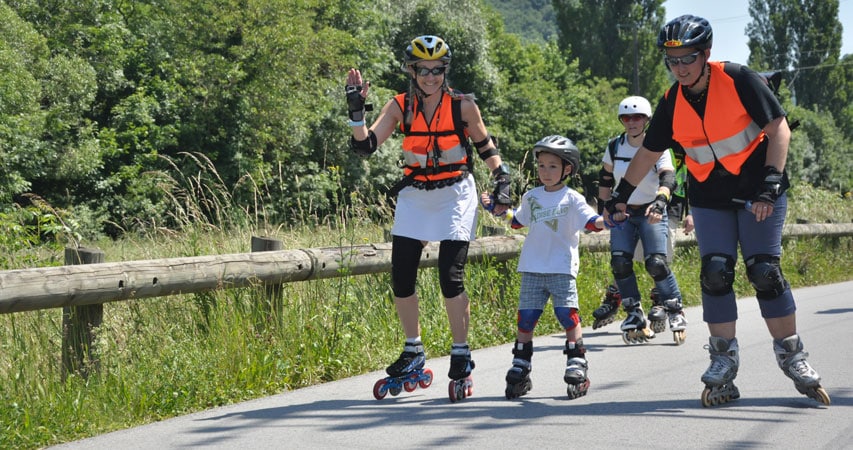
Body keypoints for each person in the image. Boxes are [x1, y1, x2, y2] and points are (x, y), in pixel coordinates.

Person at [605, 15, 830, 406]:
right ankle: (723, 360)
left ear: (705, 54)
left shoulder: (738, 79)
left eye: (687, 59)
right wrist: (621, 193)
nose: (679, 68)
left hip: (758, 189)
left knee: (764, 270)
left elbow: (779, 128)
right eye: (672, 61)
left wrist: (772, 181)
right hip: (710, 193)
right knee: (715, 272)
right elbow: (650, 151)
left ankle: (793, 356)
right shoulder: (671, 100)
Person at [346, 35, 512, 398]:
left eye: (438, 70)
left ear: (445, 70)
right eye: (424, 70)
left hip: (455, 192)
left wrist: (502, 178)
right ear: (412, 70)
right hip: (416, 194)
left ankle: (461, 352)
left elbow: (485, 145)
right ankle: (413, 349)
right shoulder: (399, 106)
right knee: (401, 274)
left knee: (449, 275)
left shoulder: (462, 106)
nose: (431, 76)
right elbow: (365, 147)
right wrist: (356, 112)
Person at [481, 135, 620, 400]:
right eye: (542, 165)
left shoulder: (572, 198)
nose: (545, 172)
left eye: (553, 166)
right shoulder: (531, 196)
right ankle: (521, 365)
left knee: (568, 315)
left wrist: (609, 220)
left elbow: (591, 222)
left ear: (568, 169)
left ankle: (577, 362)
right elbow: (517, 222)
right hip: (532, 267)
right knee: (526, 319)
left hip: (560, 267)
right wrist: (497, 210)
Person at [596, 96, 688, 345]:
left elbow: (668, 178)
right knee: (620, 263)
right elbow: (605, 179)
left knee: (656, 263)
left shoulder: (658, 145)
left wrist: (660, 202)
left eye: (637, 118)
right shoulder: (615, 146)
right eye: (626, 118)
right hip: (623, 214)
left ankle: (674, 309)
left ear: (647, 120)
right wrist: (604, 209)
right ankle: (633, 313)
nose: (632, 122)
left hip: (651, 210)